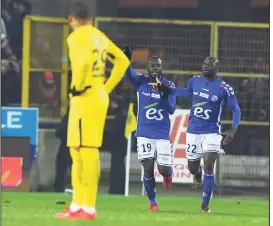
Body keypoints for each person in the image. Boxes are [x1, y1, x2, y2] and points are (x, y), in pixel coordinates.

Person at [55, 2, 130, 220]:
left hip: (85, 97)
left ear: (72, 19)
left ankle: (87, 206)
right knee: (78, 149)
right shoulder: (99, 35)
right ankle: (78, 204)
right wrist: (106, 88)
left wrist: (77, 87)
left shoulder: (76, 37)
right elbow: (123, 61)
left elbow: (84, 61)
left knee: (85, 150)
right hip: (98, 95)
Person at [150, 57, 241, 212]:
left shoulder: (224, 88)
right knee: (192, 167)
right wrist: (166, 89)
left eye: (210, 64)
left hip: (212, 131)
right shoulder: (195, 80)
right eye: (204, 64)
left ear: (217, 68)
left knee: (209, 163)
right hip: (193, 131)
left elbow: (236, 109)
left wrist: (233, 129)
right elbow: (185, 92)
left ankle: (205, 204)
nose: (205, 66)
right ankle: (197, 173)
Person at [123, 47, 176, 211]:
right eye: (152, 65)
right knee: (147, 166)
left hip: (161, 133)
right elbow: (127, 75)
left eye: (158, 66)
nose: (155, 68)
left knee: (163, 169)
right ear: (147, 68)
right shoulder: (141, 82)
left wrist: (163, 94)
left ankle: (168, 174)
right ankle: (153, 202)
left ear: (161, 68)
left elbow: (171, 109)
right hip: (144, 132)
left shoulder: (169, 85)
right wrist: (126, 61)